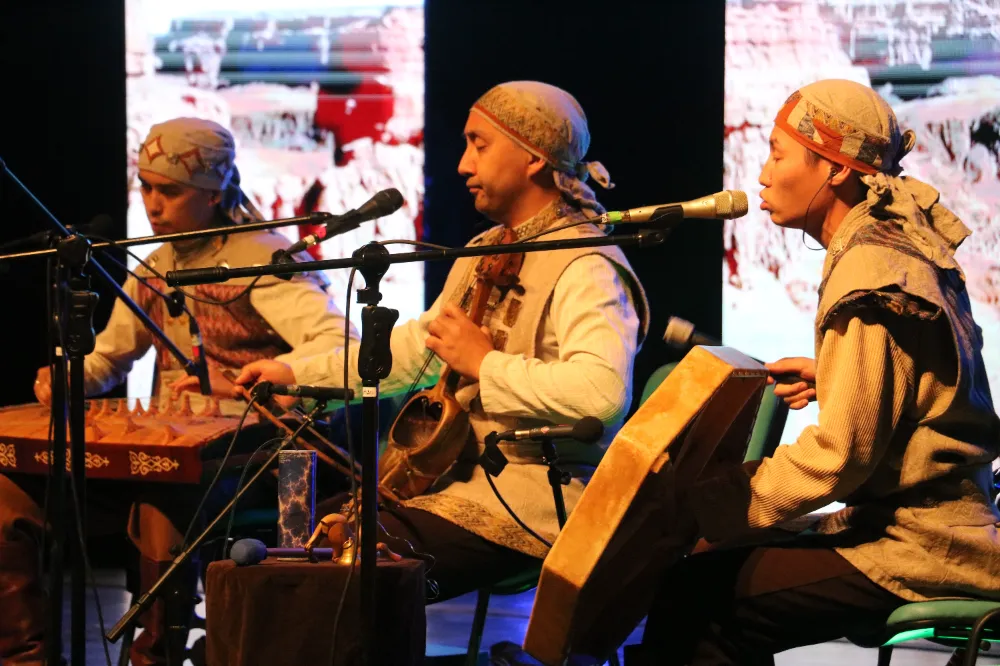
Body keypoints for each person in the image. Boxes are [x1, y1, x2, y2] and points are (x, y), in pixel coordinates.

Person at [236, 81, 650, 601]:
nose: (462, 164)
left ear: (532, 158)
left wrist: (486, 363)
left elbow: (602, 393)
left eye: (479, 144)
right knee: (301, 545)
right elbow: (420, 350)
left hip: (534, 498)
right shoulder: (483, 250)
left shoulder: (587, 264)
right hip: (450, 480)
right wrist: (299, 374)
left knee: (349, 564)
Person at [636, 79, 1000, 664]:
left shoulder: (872, 273)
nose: (761, 174)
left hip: (926, 542)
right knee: (704, 573)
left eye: (778, 154)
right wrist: (835, 375)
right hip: (913, 525)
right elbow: (923, 387)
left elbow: (840, 457)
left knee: (698, 597)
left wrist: (711, 504)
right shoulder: (892, 248)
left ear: (833, 169)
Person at [0, 117, 353, 666]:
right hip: (165, 449)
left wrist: (262, 375)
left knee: (160, 504)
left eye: (170, 189)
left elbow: (339, 339)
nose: (152, 203)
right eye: (145, 185)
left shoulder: (262, 256)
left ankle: (153, 655)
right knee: (7, 500)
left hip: (248, 456)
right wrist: (70, 376)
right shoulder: (158, 262)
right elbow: (113, 355)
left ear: (214, 193)